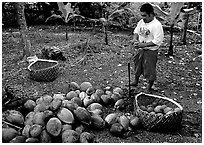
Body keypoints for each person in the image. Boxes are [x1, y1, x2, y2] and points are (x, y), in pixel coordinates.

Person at [130, 3, 164, 92]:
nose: (143, 17)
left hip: (150, 51)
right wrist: (135, 39)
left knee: (150, 69)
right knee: (137, 65)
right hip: (140, 49)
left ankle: (149, 88)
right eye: (141, 15)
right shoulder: (141, 22)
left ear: (151, 14)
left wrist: (143, 45)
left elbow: (157, 41)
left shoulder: (156, 25)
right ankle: (135, 81)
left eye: (144, 15)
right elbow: (136, 31)